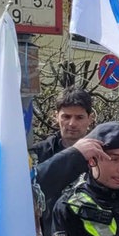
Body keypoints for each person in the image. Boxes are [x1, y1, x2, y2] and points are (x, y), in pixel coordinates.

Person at [31, 88, 104, 219]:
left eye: (79, 117)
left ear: (90, 119)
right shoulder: (38, 153)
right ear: (56, 116)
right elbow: (30, 187)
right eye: (66, 116)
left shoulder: (102, 153)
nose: (72, 123)